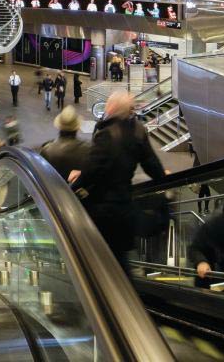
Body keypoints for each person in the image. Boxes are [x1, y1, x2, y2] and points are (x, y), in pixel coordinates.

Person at [70, 91, 166, 273]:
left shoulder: (107, 135)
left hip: (102, 208)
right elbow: (151, 163)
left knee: (102, 258)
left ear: (112, 108)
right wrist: (165, 179)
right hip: (125, 204)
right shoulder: (138, 130)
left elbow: (93, 170)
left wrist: (73, 188)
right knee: (119, 259)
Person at [40, 105, 91, 182]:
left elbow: (42, 178)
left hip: (54, 192)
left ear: (59, 126)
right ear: (77, 127)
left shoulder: (47, 150)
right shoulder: (88, 149)